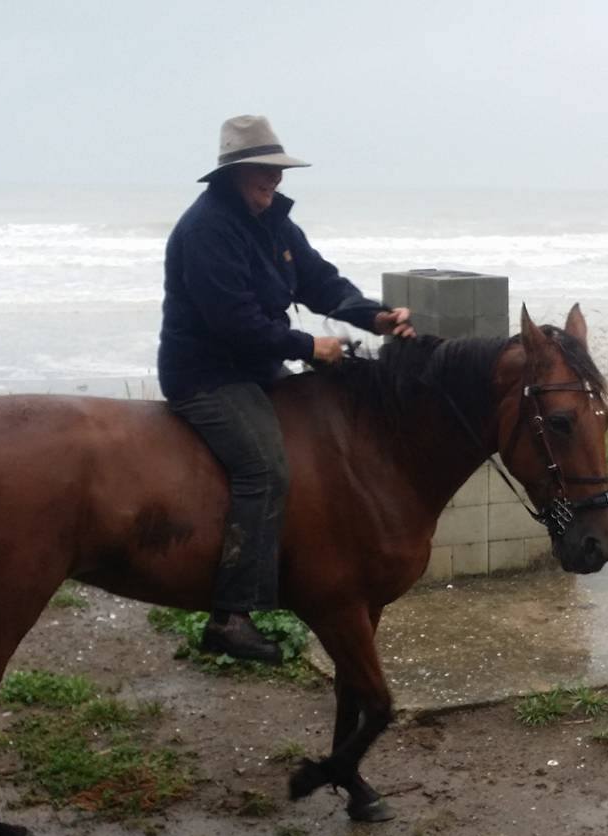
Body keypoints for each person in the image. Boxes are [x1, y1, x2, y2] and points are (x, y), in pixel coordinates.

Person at [158, 115, 415, 662]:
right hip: (208, 374)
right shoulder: (207, 229)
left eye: (277, 173)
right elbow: (234, 321)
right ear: (231, 173)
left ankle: (307, 567)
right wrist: (308, 348)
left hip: (256, 366)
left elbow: (322, 282)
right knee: (264, 467)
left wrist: (377, 317)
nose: (272, 182)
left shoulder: (275, 221)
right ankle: (231, 613)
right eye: (261, 172)